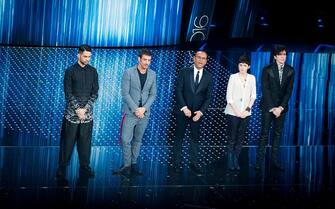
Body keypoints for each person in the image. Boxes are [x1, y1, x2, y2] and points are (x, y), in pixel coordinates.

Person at [56, 45, 99, 178]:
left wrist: (85, 109)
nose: (87, 59)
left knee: (85, 142)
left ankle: (85, 167)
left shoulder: (93, 71)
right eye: (85, 56)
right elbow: (68, 93)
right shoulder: (70, 71)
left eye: (89, 57)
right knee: (67, 142)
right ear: (78, 55)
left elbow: (95, 93)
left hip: (87, 115)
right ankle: (62, 167)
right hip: (72, 115)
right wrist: (77, 109)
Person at [113, 48, 157, 176]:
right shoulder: (128, 72)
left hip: (144, 113)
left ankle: (133, 164)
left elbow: (153, 94)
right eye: (145, 60)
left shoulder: (153, 74)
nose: (147, 62)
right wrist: (136, 109)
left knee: (138, 139)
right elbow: (125, 93)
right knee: (125, 139)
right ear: (139, 59)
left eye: (149, 60)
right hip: (131, 112)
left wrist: (144, 108)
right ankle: (126, 165)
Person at [171, 50, 213, 176]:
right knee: (179, 137)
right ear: (194, 58)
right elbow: (178, 91)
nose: (201, 60)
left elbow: (208, 97)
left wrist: (200, 112)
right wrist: (184, 108)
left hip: (197, 113)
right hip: (183, 111)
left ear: (206, 61)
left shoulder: (208, 76)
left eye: (203, 58)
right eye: (199, 57)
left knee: (194, 138)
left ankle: (193, 163)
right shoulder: (184, 71)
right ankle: (176, 163)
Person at [255, 44, 294, 171]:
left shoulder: (290, 70)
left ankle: (274, 161)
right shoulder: (267, 69)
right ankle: (259, 162)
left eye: (285, 54)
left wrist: (281, 108)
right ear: (275, 56)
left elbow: (289, 91)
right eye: (280, 54)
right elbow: (265, 89)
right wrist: (273, 108)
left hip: (282, 109)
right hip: (268, 107)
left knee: (277, 134)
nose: (283, 57)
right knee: (264, 134)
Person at [225, 55, 256, 170]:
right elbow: (229, 97)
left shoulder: (252, 78)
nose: (242, 67)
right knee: (232, 137)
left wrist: (246, 110)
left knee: (240, 137)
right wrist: (237, 111)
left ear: (248, 67)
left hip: (246, 113)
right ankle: (229, 161)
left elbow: (253, 96)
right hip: (233, 112)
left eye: (244, 65)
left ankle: (235, 160)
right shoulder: (233, 77)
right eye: (240, 65)